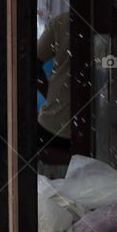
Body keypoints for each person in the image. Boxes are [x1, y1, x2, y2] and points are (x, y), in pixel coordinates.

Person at [36, 10, 72, 155]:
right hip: (58, 124)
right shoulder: (61, 21)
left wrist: (52, 97)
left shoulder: (62, 21)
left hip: (55, 123)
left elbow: (32, 62)